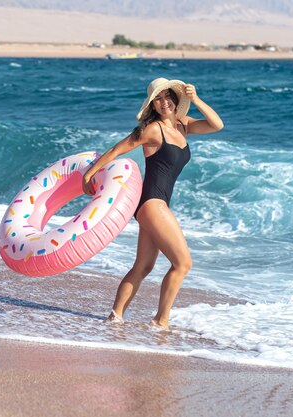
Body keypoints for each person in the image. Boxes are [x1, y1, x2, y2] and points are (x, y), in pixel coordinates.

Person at [82, 78, 224, 327]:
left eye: (167, 96)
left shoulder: (183, 126)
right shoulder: (152, 130)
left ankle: (115, 317)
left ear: (176, 99)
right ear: (152, 105)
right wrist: (89, 173)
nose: (164, 102)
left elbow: (217, 125)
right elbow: (117, 149)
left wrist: (197, 99)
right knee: (183, 264)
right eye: (157, 99)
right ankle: (161, 320)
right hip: (152, 203)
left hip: (157, 205)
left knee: (144, 266)